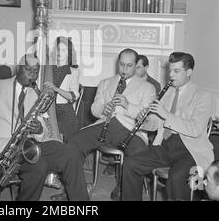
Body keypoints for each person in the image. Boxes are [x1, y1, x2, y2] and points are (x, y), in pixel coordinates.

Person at [0, 54, 89, 201]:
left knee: (71, 152)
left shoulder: (34, 94)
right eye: (28, 69)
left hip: (28, 146)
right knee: (38, 167)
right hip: (2, 149)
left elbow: (44, 131)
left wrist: (39, 129)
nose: (33, 74)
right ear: (18, 69)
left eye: (36, 71)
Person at [121, 52, 214, 201]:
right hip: (164, 146)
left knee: (176, 178)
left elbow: (195, 129)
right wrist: (144, 120)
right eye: (170, 70)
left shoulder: (202, 96)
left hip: (189, 150)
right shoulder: (168, 92)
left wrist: (166, 115)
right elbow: (156, 124)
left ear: (189, 72)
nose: (171, 75)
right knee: (131, 164)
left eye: (176, 71)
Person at [67, 48, 156, 199]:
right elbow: (94, 110)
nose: (124, 69)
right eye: (121, 65)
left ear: (136, 66)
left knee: (138, 153)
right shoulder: (106, 83)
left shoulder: (148, 88)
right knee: (73, 142)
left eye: (129, 65)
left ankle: (128, 194)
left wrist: (128, 105)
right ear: (117, 64)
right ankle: (76, 193)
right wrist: (104, 109)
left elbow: (149, 119)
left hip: (131, 129)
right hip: (104, 125)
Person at [43, 37, 80, 143]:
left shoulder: (73, 71)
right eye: (58, 49)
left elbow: (73, 97)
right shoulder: (48, 68)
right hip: (48, 110)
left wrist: (55, 89)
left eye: (63, 50)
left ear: (69, 54)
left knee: (62, 143)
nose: (60, 52)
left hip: (64, 112)